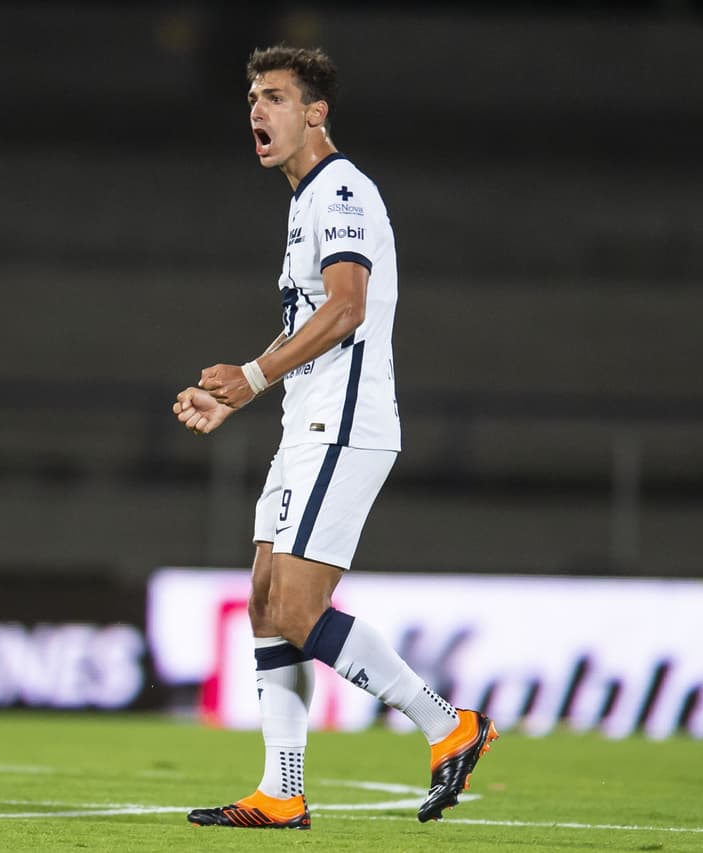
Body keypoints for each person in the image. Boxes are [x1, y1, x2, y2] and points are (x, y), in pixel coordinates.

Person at [174, 46, 496, 828]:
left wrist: (251, 375)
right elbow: (311, 324)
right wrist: (243, 399)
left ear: (315, 113)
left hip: (345, 423)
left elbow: (347, 307)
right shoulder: (304, 200)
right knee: (262, 603)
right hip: (305, 420)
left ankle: (444, 721)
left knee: (294, 606)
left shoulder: (341, 189)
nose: (258, 110)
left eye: (276, 97)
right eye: (252, 96)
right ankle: (282, 790)